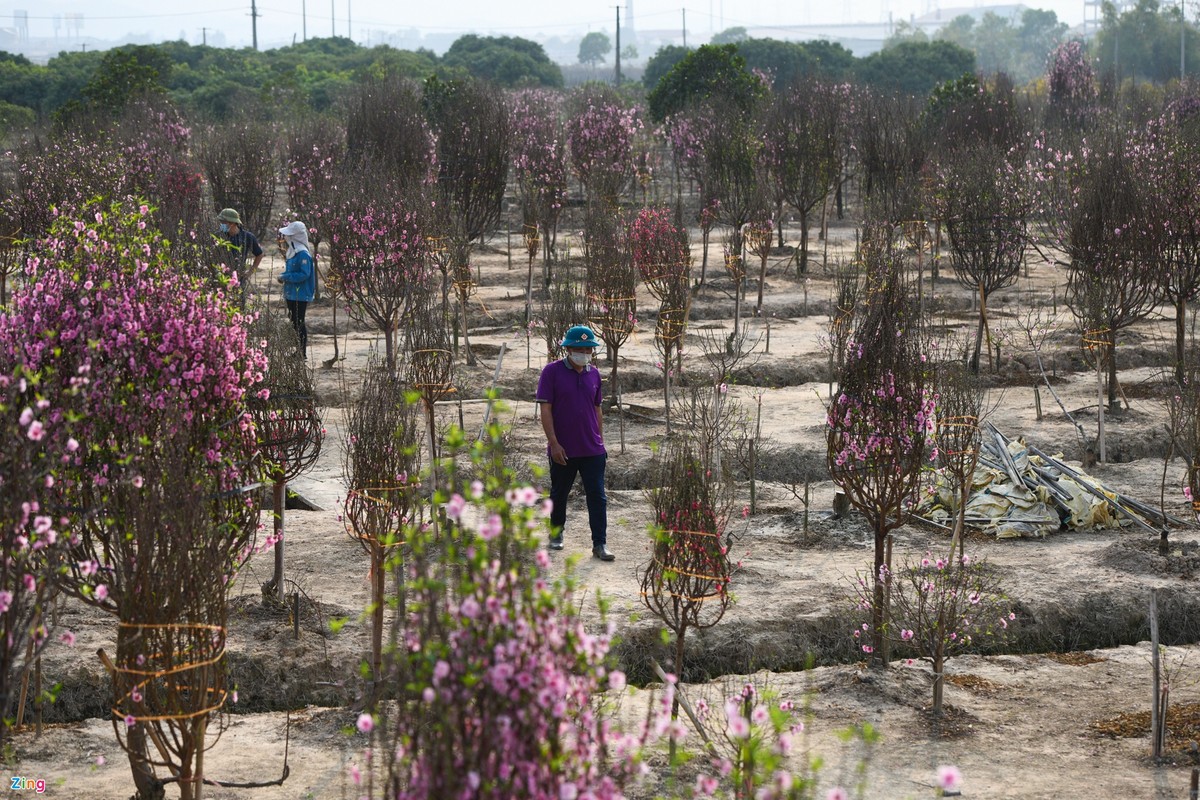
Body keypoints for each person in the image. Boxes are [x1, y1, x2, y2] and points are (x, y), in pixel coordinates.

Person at [537, 324, 614, 561]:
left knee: (597, 496)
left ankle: (599, 544)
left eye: (588, 349)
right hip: (564, 448)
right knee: (560, 493)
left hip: (592, 449)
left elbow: (597, 408)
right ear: (568, 349)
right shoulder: (551, 372)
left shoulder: (594, 375)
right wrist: (554, 443)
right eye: (579, 348)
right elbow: (546, 409)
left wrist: (599, 440)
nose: (584, 353)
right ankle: (556, 535)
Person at [276, 220, 316, 358]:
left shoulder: (303, 254)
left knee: (299, 322)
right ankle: (298, 350)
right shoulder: (294, 251)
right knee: (294, 321)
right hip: (292, 293)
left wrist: (286, 277)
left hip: (301, 293)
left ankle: (302, 352)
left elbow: (304, 274)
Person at [216, 208, 264, 308]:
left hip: (239, 278)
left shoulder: (247, 237)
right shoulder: (218, 236)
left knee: (238, 306)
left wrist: (250, 272)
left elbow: (259, 254)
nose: (221, 224)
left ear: (232, 223)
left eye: (223, 222)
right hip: (221, 278)